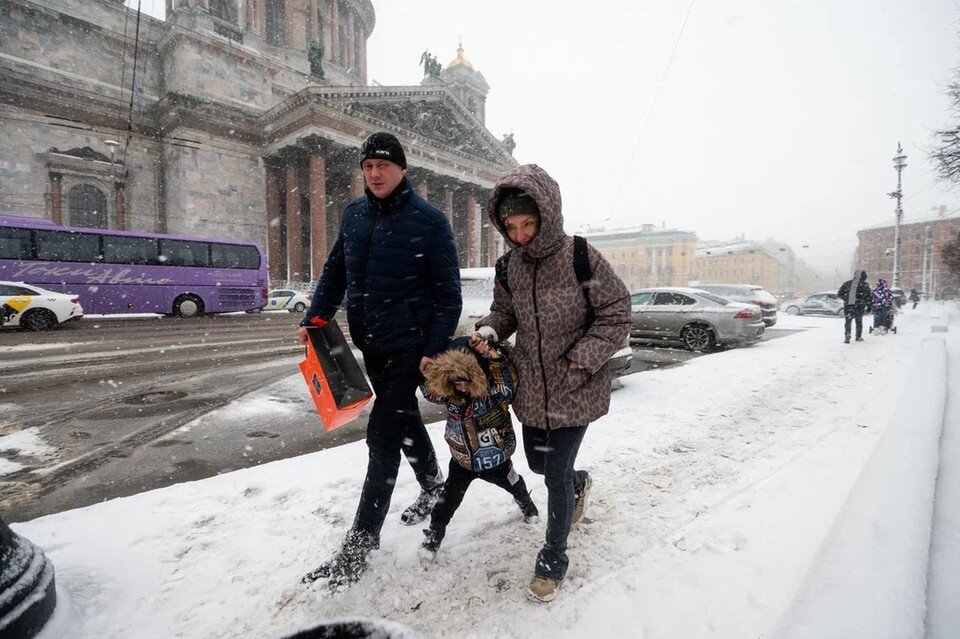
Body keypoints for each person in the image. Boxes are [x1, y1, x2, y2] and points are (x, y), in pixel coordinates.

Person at [297, 132, 462, 589]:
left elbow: (449, 295)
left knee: (382, 435)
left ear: (402, 169)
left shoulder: (429, 221)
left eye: (383, 166)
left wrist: (432, 348)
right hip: (370, 340)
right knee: (404, 418)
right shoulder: (353, 215)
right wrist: (316, 317)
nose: (375, 173)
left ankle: (359, 547)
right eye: (368, 165)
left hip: (411, 344)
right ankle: (433, 485)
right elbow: (336, 271)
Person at [471, 164, 631, 603]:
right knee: (541, 467)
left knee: (553, 475)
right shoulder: (509, 267)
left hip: (575, 389)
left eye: (528, 224)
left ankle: (553, 556)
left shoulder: (581, 256)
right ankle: (579, 485)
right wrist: (489, 330)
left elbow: (616, 310)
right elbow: (505, 314)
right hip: (531, 391)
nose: (520, 235)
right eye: (511, 227)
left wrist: (582, 361)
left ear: (547, 215)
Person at [418, 335, 539, 560]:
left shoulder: (495, 393)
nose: (462, 387)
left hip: (496, 459)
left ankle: (527, 504)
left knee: (513, 483)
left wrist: (496, 358)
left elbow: (508, 383)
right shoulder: (449, 394)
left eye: (467, 381)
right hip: (462, 461)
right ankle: (434, 536)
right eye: (456, 381)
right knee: (446, 502)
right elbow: (430, 390)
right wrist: (425, 370)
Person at [837, 270, 872, 344]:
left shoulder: (847, 283)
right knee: (859, 321)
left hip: (848, 306)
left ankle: (847, 335)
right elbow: (868, 297)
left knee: (848, 321)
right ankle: (858, 337)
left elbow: (839, 294)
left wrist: (846, 299)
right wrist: (869, 305)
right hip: (859, 306)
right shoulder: (865, 285)